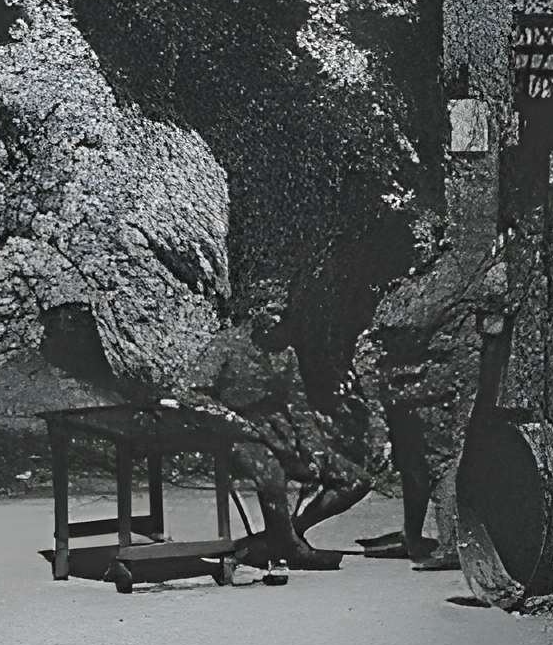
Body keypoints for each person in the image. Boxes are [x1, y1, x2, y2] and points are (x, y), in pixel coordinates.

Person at [173, 281, 374, 571]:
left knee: (355, 480)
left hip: (280, 432)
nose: (277, 325)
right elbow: (191, 392)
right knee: (271, 476)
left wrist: (314, 448)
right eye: (271, 313)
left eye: (282, 316)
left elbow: (299, 406)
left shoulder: (286, 353)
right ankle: (290, 546)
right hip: (237, 434)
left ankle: (283, 536)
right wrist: (231, 421)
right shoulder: (227, 344)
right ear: (256, 314)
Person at [362, 242, 504, 569]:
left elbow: (411, 322)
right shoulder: (413, 281)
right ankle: (416, 539)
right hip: (408, 389)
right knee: (416, 469)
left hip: (435, 388)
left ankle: (451, 546)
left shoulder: (441, 280)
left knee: (441, 466)